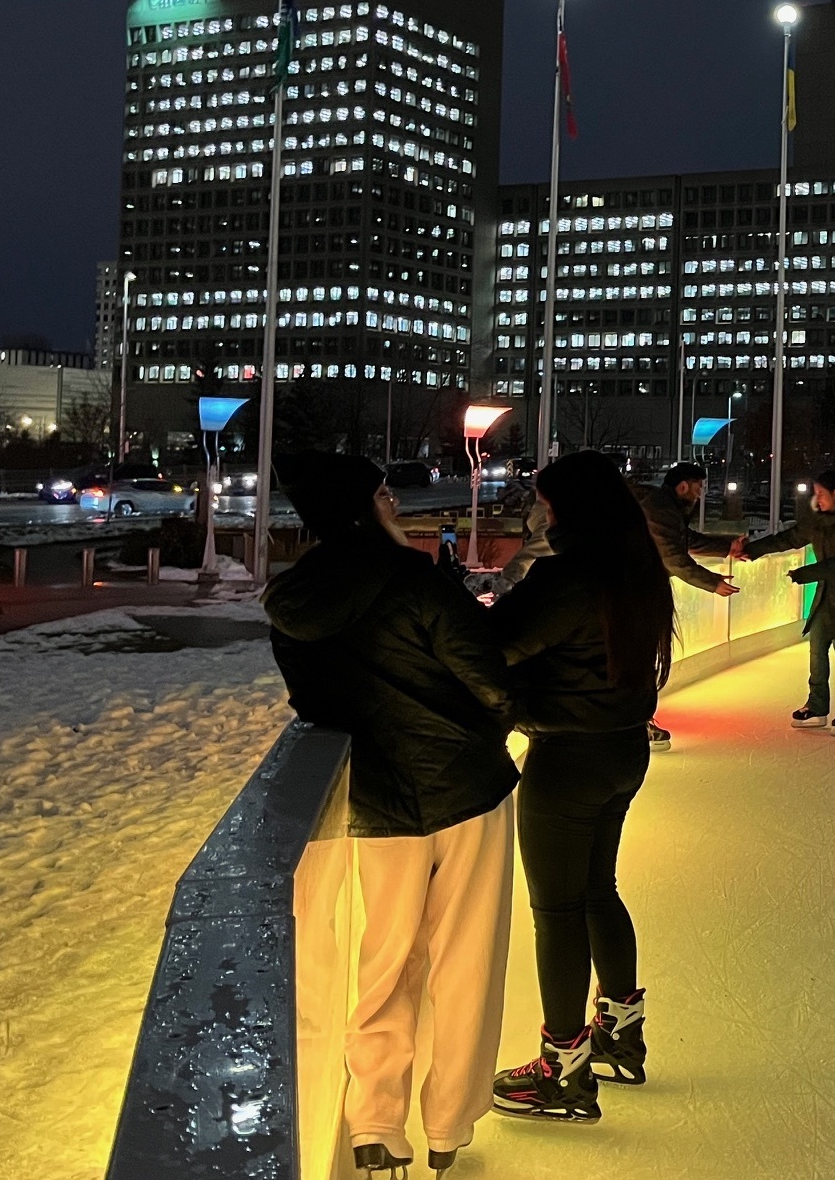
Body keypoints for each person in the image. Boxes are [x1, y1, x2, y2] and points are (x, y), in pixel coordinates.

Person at [264, 453, 517, 1179]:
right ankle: (448, 1122)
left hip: (374, 801)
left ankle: (376, 1120)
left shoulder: (292, 602)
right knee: (466, 958)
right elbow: (491, 680)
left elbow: (311, 702)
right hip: (465, 792)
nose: (392, 502)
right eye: (381, 491)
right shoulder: (414, 578)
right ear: (358, 506)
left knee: (385, 962)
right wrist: (485, 730)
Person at [488, 452, 676, 1124]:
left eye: (543, 502)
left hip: (567, 757)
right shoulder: (637, 569)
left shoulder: (567, 578)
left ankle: (561, 1068)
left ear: (565, 507)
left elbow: (492, 645)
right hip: (623, 749)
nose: (539, 514)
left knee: (558, 909)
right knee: (598, 888)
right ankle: (620, 1034)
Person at [745, 468, 835, 735]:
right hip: (827, 595)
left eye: (821, 493)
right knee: (817, 648)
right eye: (815, 493)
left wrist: (805, 574)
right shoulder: (818, 521)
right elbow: (790, 538)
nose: (817, 499)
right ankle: (817, 706)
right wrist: (752, 550)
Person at [630, 462, 748, 751]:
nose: (700, 494)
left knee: (640, 656)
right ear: (683, 486)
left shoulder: (665, 507)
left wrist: (726, 547)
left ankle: (635, 720)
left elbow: (683, 540)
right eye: (698, 487)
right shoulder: (661, 507)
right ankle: (634, 722)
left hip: (638, 586)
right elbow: (673, 557)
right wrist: (712, 583)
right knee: (638, 656)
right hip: (636, 589)